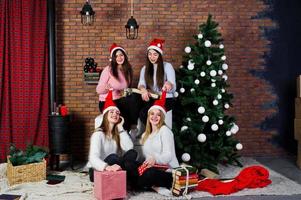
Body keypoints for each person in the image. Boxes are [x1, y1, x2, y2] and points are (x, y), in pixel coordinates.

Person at [87, 89, 138, 186]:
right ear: (105, 115)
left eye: (117, 113)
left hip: (115, 165)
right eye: (111, 112)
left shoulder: (117, 133)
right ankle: (132, 178)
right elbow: (93, 158)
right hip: (97, 170)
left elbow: (129, 147)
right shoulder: (98, 134)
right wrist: (107, 167)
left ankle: (131, 179)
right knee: (115, 157)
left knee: (132, 153)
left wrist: (120, 127)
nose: (115, 114)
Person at [137, 91, 180, 196]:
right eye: (152, 114)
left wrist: (155, 158)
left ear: (162, 117)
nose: (154, 117)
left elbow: (168, 156)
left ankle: (148, 184)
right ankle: (148, 184)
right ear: (148, 116)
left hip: (168, 171)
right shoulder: (145, 135)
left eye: (158, 115)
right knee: (132, 165)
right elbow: (146, 158)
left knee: (148, 174)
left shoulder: (165, 131)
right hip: (153, 168)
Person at [96, 43, 140, 132]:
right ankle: (125, 133)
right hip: (106, 101)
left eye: (121, 55)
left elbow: (126, 88)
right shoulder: (108, 70)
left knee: (135, 98)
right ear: (113, 58)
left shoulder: (127, 70)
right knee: (123, 114)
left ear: (124, 56)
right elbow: (98, 90)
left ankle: (131, 128)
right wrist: (106, 87)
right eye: (116, 56)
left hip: (121, 100)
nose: (119, 58)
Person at [138, 38, 176, 126]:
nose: (152, 57)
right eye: (150, 54)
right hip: (152, 98)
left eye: (155, 54)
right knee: (143, 113)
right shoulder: (144, 68)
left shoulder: (167, 66)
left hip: (166, 99)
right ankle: (150, 134)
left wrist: (168, 84)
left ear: (160, 55)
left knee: (155, 111)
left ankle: (159, 133)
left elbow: (173, 86)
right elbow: (141, 83)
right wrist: (143, 89)